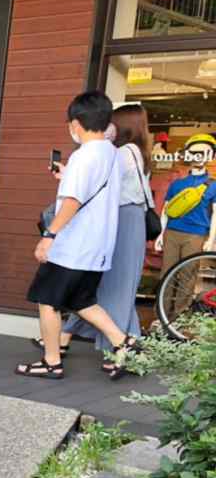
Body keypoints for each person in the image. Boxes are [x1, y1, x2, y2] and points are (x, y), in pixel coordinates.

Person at [15, 91, 141, 382]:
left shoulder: (84, 156)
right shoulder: (110, 152)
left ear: (76, 123)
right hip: (98, 247)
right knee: (83, 301)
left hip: (73, 246)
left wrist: (49, 235)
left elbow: (72, 201)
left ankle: (51, 362)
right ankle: (123, 341)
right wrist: (67, 174)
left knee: (47, 300)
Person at [56, 102, 153, 371]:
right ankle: (66, 337)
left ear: (121, 125)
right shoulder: (134, 151)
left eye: (112, 122)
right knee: (107, 287)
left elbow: (97, 182)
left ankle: (123, 352)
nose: (107, 126)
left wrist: (71, 176)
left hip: (125, 220)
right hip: (126, 219)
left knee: (116, 288)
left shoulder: (124, 152)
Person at [156, 133, 216, 318]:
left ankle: (179, 318)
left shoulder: (213, 185)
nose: (198, 156)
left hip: (196, 235)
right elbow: (166, 210)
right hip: (172, 233)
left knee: (188, 276)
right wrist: (160, 234)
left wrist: (211, 239)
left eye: (204, 152)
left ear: (212, 156)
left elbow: (215, 214)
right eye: (194, 152)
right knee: (167, 274)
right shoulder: (178, 184)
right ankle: (162, 316)